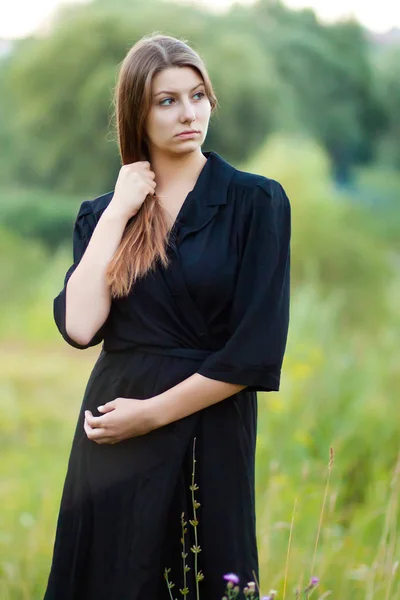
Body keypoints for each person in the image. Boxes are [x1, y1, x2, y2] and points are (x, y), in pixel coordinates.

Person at [43, 33, 291, 600]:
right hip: (112, 436)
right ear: (138, 110)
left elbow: (254, 351)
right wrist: (119, 209)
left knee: (205, 578)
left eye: (198, 95)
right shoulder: (102, 215)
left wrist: (151, 416)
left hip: (208, 429)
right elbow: (80, 328)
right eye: (167, 100)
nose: (189, 114)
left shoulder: (257, 202)